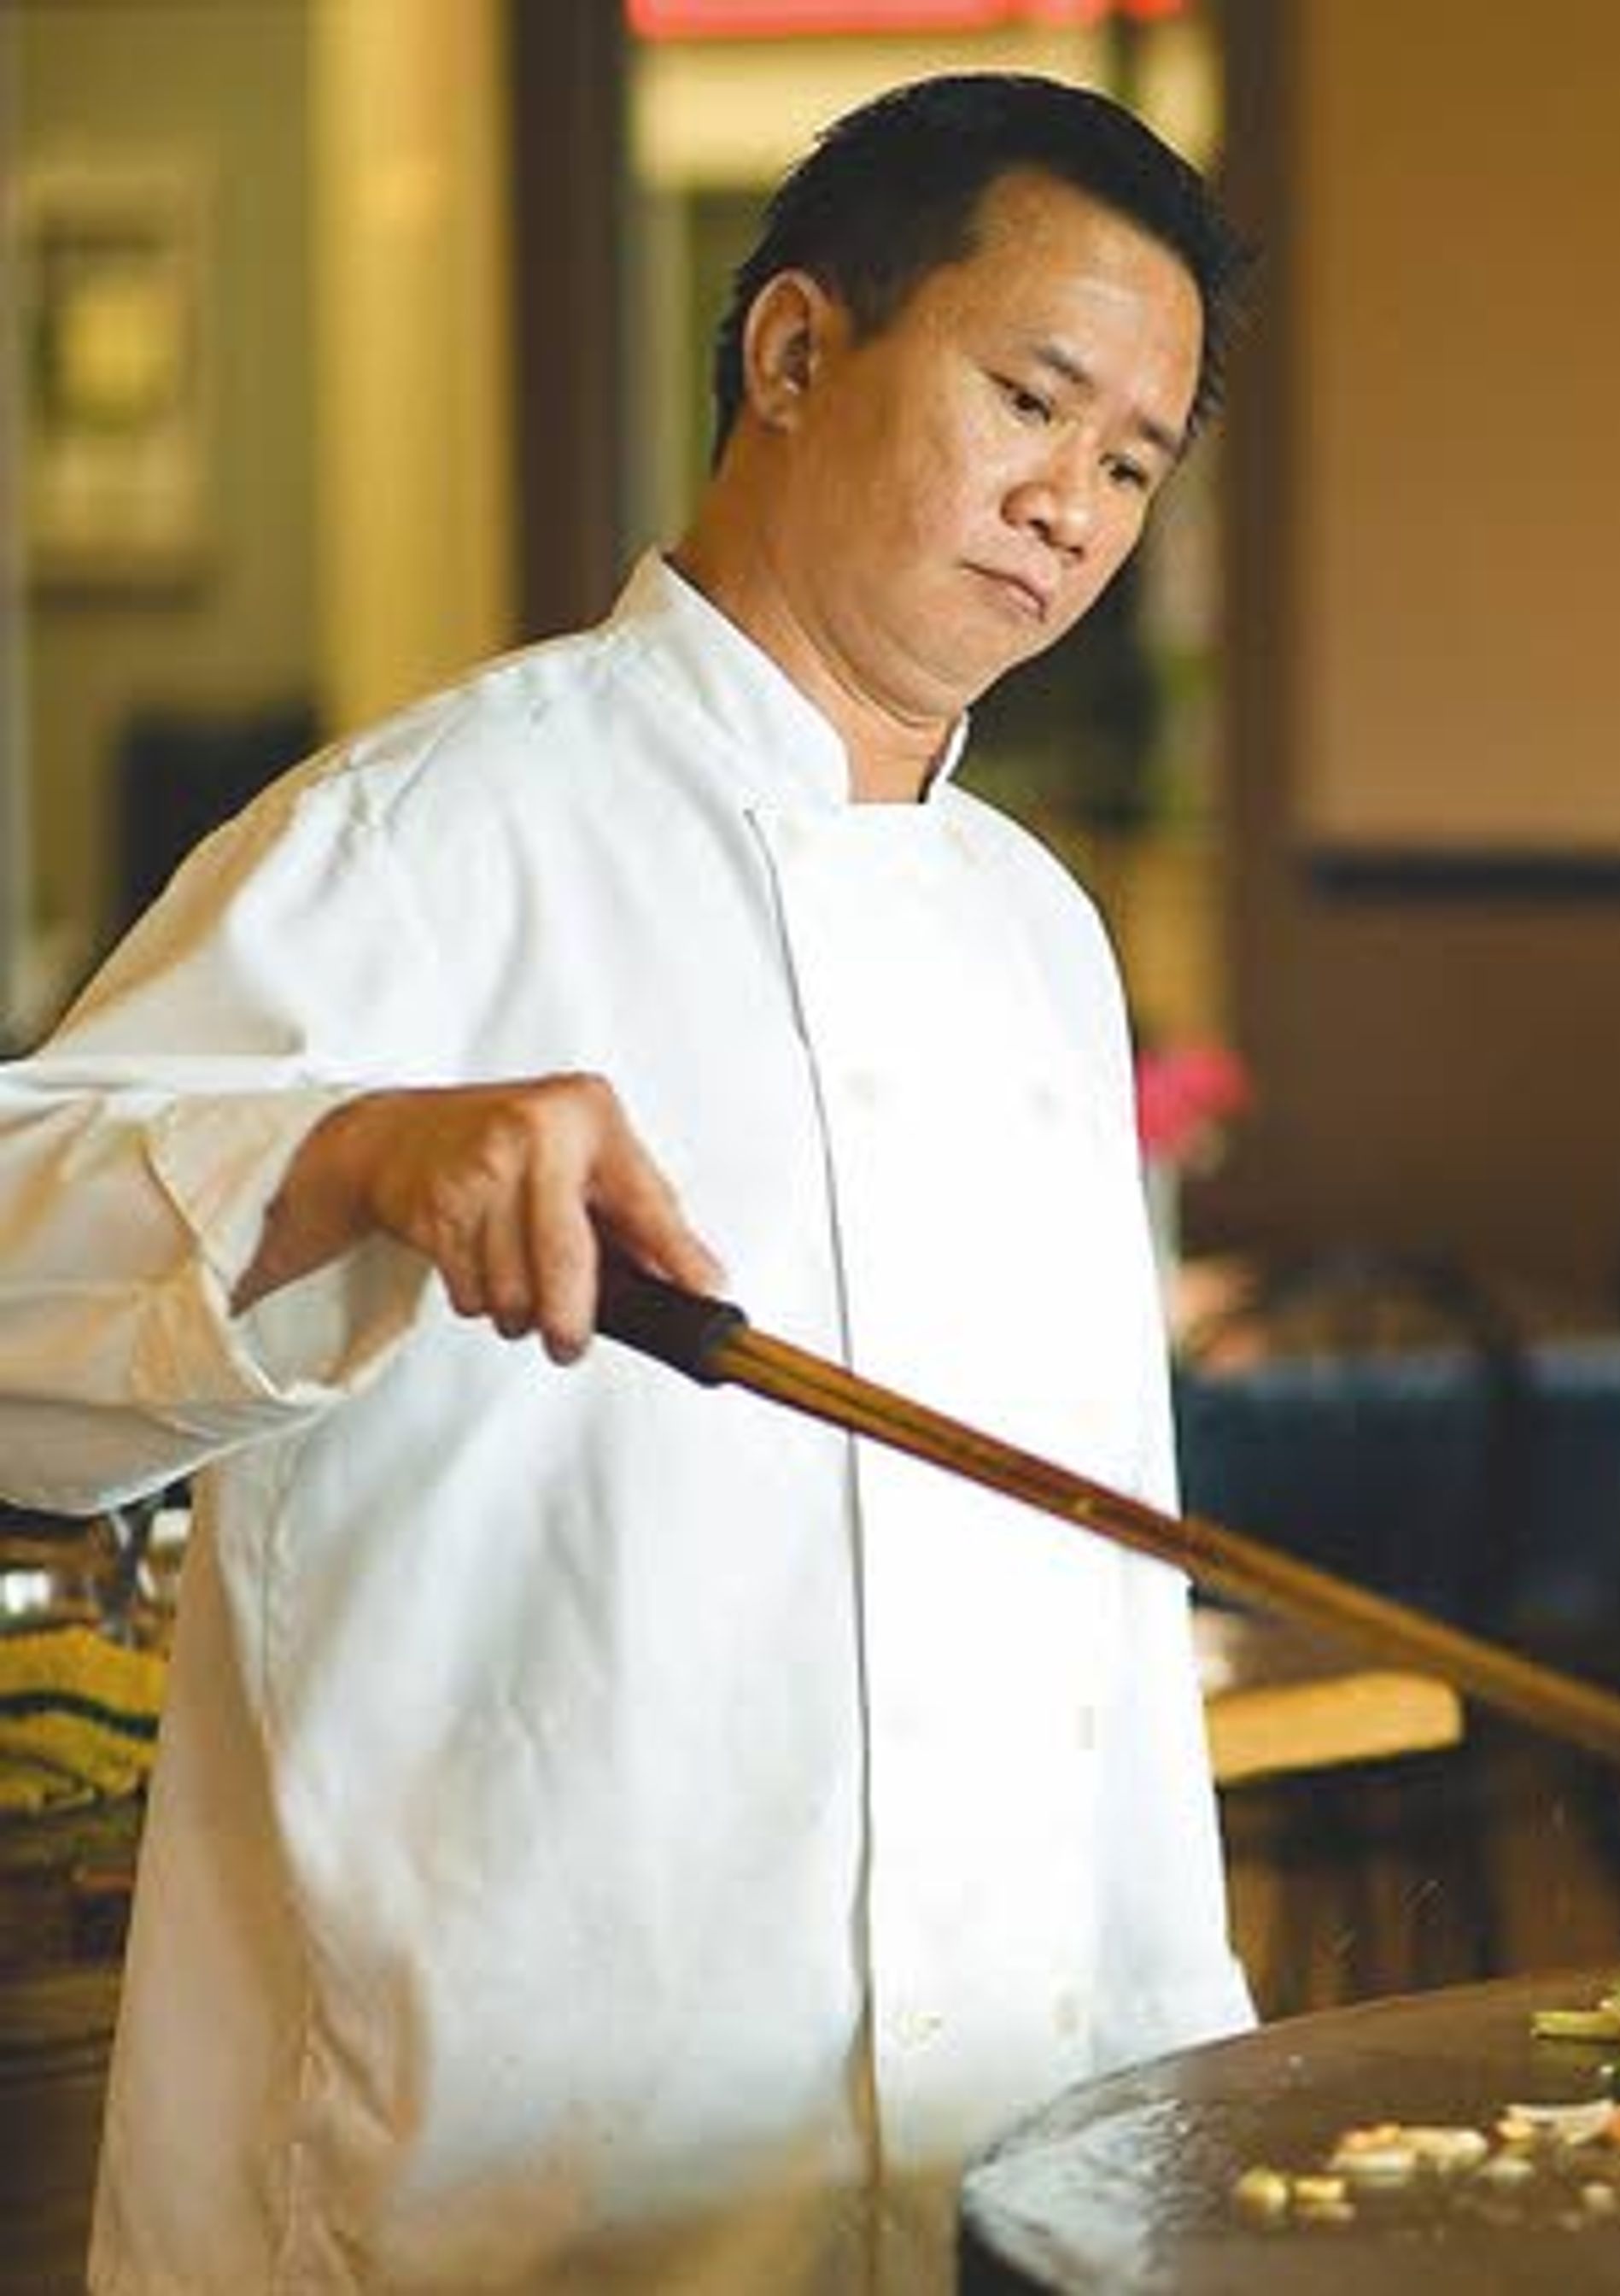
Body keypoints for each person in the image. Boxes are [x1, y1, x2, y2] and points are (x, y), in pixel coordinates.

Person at [0, 73, 1256, 2290]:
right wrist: (357, 1155)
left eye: (1131, 462)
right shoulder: (427, 837)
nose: (1070, 503)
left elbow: (1103, 1612)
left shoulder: (1041, 935)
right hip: (484, 2204)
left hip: (992, 2192)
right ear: (793, 355)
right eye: (1029, 401)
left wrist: (1173, 2125)